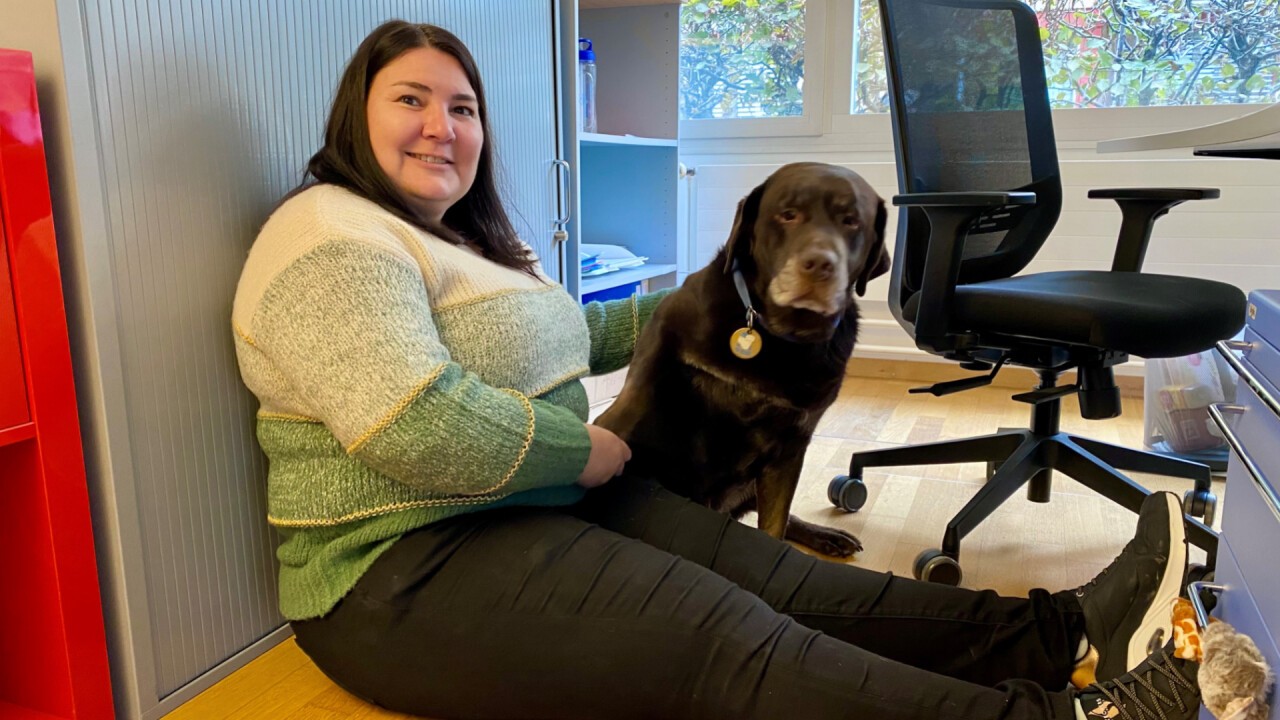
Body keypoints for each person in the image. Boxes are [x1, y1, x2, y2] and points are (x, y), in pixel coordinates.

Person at [231, 19, 1203, 720]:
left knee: (772, 573)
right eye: (410, 99)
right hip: (397, 574)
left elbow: (574, 334)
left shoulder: (463, 246)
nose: (440, 125)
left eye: (461, 106)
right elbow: (413, 426)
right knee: (726, 637)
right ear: (353, 117)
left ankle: (1061, 633)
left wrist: (711, 304)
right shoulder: (328, 233)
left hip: (518, 511)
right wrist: (581, 455)